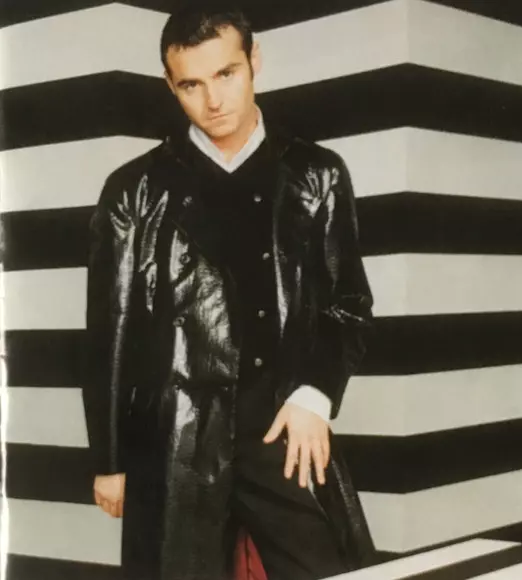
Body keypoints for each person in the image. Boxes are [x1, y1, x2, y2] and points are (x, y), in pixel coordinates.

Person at [82, 5, 375, 580]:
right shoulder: (134, 189)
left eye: (226, 73)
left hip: (283, 424)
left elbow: (349, 305)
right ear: (170, 85)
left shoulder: (318, 174)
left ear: (253, 60)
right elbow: (109, 333)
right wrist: (109, 461)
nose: (213, 100)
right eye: (191, 84)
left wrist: (316, 393)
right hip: (177, 438)